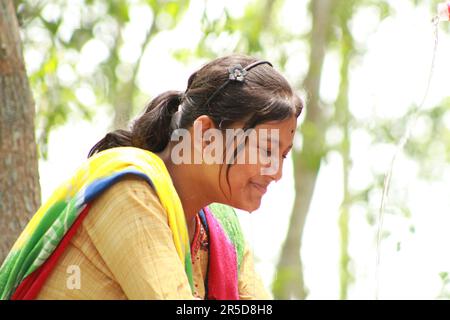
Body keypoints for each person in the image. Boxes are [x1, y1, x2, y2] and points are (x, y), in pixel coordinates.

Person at [0, 54, 303, 300]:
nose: (276, 172)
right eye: (266, 150)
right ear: (207, 136)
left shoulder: (221, 228)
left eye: (283, 156)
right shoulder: (130, 192)